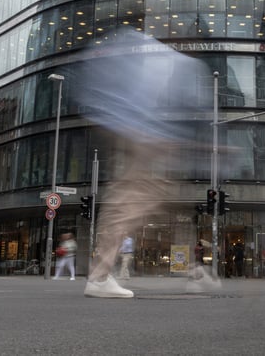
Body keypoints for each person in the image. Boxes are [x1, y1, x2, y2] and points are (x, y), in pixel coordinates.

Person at [71, 28, 210, 298]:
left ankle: (193, 272)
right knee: (131, 204)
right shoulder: (170, 61)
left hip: (125, 128)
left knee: (140, 199)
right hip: (132, 131)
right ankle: (100, 278)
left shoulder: (149, 50)